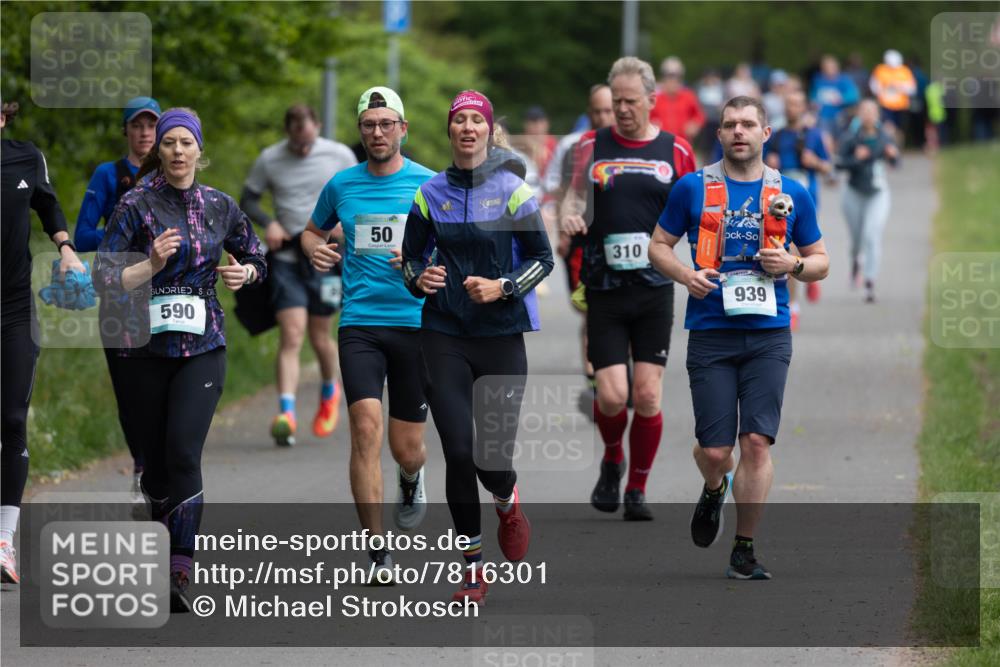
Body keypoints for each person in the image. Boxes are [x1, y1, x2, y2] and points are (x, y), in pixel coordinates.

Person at [649, 96, 829, 580]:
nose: (739, 132)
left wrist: (792, 264)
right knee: (715, 451)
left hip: (769, 335)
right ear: (721, 133)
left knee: (755, 442)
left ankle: (744, 548)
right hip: (711, 332)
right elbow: (658, 246)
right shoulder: (692, 188)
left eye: (748, 124)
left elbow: (820, 260)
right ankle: (713, 488)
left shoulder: (790, 193)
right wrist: (686, 276)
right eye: (730, 125)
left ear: (766, 133)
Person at [94, 108, 267, 611]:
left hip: (202, 346)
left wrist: (246, 276)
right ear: (158, 152)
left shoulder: (219, 206)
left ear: (198, 150)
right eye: (167, 143)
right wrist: (150, 265)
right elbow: (104, 279)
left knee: (184, 453)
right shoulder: (134, 205)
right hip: (141, 348)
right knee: (156, 467)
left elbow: (257, 257)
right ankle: (160, 547)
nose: (176, 151)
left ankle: (179, 569)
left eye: (184, 143)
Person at [401, 90, 553, 605]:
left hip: (501, 336)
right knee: (458, 452)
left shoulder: (512, 191)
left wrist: (503, 287)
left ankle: (507, 499)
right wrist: (419, 278)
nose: (467, 128)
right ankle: (471, 566)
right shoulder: (429, 194)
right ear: (450, 131)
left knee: (491, 459)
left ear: (489, 131)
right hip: (443, 334)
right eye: (459, 120)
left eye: (476, 120)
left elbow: (542, 259)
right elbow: (409, 260)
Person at [301, 87, 433, 581]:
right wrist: (315, 248)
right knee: (364, 431)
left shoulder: (430, 185)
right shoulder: (342, 185)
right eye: (368, 125)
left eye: (386, 123)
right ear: (360, 132)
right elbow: (313, 231)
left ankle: (411, 475)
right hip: (360, 324)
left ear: (403, 128)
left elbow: (456, 247)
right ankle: (378, 552)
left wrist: (427, 263)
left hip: (416, 325)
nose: (377, 132)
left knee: (407, 447)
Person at [561, 57, 696, 520]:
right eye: (615, 101)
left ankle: (637, 488)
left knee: (648, 395)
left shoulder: (675, 150)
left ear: (651, 101)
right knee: (613, 396)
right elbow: (573, 196)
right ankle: (613, 456)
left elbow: (695, 211)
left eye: (630, 101)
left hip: (655, 287)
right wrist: (571, 214)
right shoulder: (589, 146)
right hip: (604, 288)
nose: (620, 109)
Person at [1, 101, 86, 584]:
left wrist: (67, 249)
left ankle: (4, 541)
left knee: (11, 417)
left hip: (12, 309)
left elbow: (47, 201)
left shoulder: (24, 156)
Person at [241, 104, 357, 446]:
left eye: (307, 138)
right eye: (296, 140)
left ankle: (328, 391)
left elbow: (358, 193)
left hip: (325, 256)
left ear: (317, 126)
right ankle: (286, 412)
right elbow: (249, 199)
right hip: (288, 257)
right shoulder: (270, 158)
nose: (302, 147)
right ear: (287, 132)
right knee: (291, 335)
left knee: (321, 335)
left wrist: (342, 222)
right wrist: (269, 223)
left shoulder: (338, 155)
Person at [74, 96, 161, 507]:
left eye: (151, 125)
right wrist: (123, 237)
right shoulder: (109, 176)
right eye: (137, 125)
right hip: (119, 294)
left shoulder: (171, 173)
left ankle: (165, 466)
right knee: (129, 390)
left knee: (164, 383)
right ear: (126, 131)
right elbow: (82, 233)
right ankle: (142, 466)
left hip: (164, 293)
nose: (145, 133)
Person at [543, 84, 614, 409]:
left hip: (621, 242)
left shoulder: (634, 147)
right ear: (588, 112)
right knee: (589, 309)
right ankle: (595, 377)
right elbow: (559, 189)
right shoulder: (574, 146)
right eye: (597, 111)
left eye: (608, 110)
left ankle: (611, 372)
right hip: (583, 242)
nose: (603, 117)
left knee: (619, 308)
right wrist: (562, 232)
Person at [764, 90, 833, 328]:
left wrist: (816, 163)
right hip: (782, 202)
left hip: (808, 200)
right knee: (789, 248)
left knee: (807, 245)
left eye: (796, 104)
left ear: (804, 108)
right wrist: (770, 162)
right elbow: (763, 165)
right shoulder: (777, 136)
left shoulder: (814, 135)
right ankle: (793, 305)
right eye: (788, 104)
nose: (792, 108)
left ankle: (810, 270)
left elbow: (829, 169)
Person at [837, 99, 898, 303]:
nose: (868, 115)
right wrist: (856, 159)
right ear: (859, 115)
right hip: (853, 192)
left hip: (878, 193)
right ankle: (855, 261)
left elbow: (897, 162)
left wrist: (893, 156)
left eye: (872, 111)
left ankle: (870, 282)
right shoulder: (851, 138)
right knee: (857, 240)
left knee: (872, 235)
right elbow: (838, 165)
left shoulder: (885, 137)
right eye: (864, 111)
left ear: (878, 115)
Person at [648, 56, 706, 144]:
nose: (673, 80)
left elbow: (700, 116)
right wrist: (651, 124)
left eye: (677, 76)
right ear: (663, 77)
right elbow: (645, 118)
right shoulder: (654, 98)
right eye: (669, 76)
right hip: (659, 143)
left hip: (683, 143)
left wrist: (695, 124)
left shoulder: (688, 96)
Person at [809, 55, 860, 143]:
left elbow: (854, 96)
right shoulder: (818, 81)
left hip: (840, 116)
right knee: (825, 138)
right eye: (826, 68)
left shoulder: (844, 80)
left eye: (831, 67)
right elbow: (813, 96)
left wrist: (841, 99)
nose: (829, 70)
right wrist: (813, 103)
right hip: (822, 116)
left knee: (840, 139)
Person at [869, 50, 916, 144]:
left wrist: (900, 86)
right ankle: (889, 145)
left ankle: (898, 148)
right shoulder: (880, 70)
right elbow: (873, 86)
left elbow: (912, 89)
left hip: (901, 106)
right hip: (885, 105)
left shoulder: (905, 71)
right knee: (888, 127)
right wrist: (882, 90)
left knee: (899, 129)